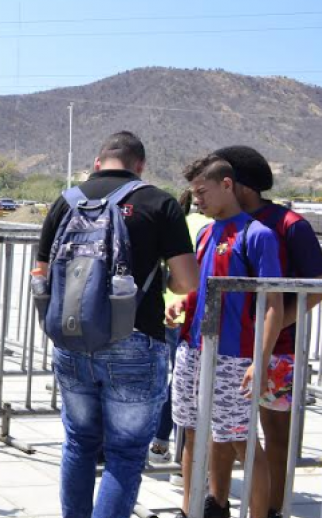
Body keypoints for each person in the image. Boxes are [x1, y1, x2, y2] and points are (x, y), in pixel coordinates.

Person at [35, 131, 198, 518]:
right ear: (140, 165)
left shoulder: (66, 202)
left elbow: (41, 273)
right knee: (125, 454)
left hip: (72, 341)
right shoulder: (158, 202)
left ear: (97, 162)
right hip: (135, 339)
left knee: (78, 444)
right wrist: (161, 281)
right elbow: (187, 280)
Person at [167, 154, 284, 518]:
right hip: (192, 349)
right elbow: (206, 286)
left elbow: (272, 306)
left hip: (233, 356)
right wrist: (183, 303)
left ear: (227, 185)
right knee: (188, 431)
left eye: (202, 192)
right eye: (194, 193)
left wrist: (259, 362)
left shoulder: (258, 235)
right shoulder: (204, 232)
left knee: (241, 442)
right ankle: (191, 510)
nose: (197, 200)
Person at [209, 146, 322, 518]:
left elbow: (316, 287)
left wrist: (272, 329)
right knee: (225, 430)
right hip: (228, 347)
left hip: (280, 349)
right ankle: (218, 502)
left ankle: (273, 507)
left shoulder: (290, 225)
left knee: (274, 431)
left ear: (239, 184)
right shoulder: (222, 223)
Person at [150, 190, 212, 476]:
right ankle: (182, 458)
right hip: (194, 313)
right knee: (189, 388)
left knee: (169, 382)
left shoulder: (179, 222)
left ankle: (160, 443)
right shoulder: (210, 225)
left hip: (167, 309)